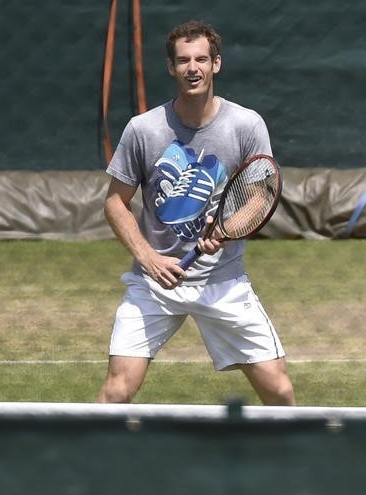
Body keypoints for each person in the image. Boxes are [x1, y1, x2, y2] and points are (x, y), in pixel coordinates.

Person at [97, 20, 295, 405]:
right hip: (154, 285)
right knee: (118, 390)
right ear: (171, 68)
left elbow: (259, 193)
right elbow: (114, 202)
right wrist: (149, 258)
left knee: (280, 390)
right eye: (183, 60)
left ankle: (289, 461)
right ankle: (83, 463)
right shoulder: (143, 129)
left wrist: (225, 228)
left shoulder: (246, 124)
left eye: (201, 59)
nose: (193, 68)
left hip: (223, 283)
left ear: (216, 64)